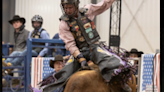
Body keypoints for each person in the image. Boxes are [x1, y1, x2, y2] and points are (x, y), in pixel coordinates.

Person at [42, 0, 132, 92]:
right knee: (62, 75)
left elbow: (103, 5)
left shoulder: (87, 10)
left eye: (70, 7)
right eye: (65, 8)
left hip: (95, 48)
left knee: (115, 63)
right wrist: (80, 58)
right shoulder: (63, 23)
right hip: (78, 52)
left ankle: (122, 86)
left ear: (76, 6)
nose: (68, 10)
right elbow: (70, 44)